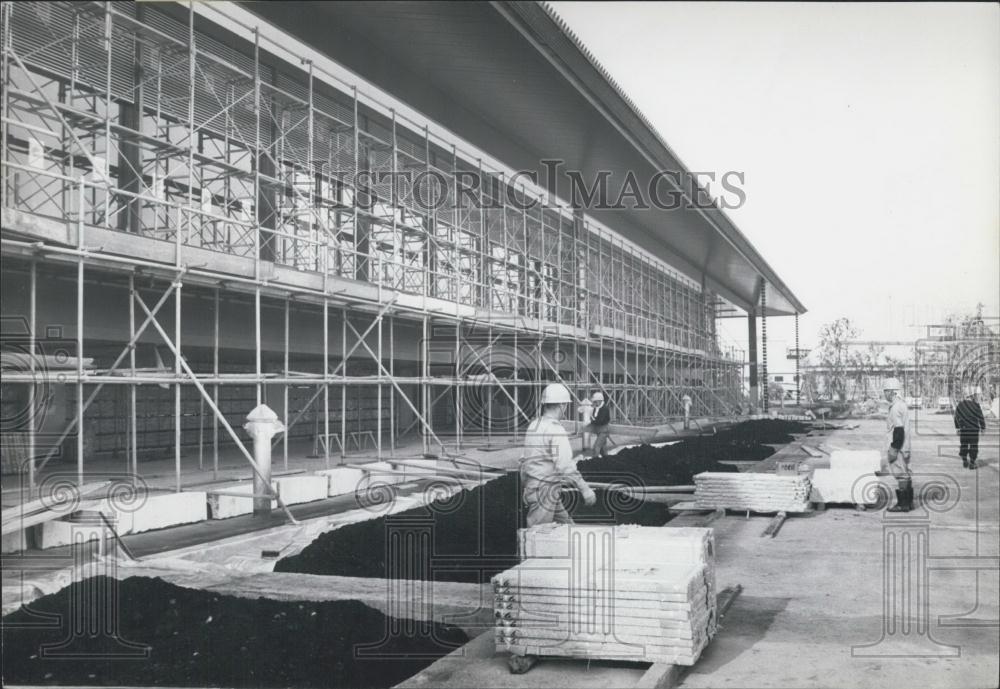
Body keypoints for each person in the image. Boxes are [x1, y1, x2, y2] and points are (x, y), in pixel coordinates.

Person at [520, 383, 596, 526]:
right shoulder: (555, 430)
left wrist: (527, 487)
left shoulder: (534, 426)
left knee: (568, 528)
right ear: (562, 406)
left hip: (541, 489)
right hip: (545, 491)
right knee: (539, 536)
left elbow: (524, 461)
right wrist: (584, 489)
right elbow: (565, 465)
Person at [883, 378, 913, 512]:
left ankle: (902, 504)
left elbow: (898, 430)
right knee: (906, 473)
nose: (885, 395)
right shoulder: (902, 404)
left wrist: (894, 449)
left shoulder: (895, 408)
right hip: (905, 446)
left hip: (899, 447)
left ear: (892, 392)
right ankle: (908, 503)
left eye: (886, 392)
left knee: (901, 475)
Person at [954, 386, 986, 469]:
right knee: (973, 445)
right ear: (972, 396)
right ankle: (972, 462)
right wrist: (983, 427)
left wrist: (957, 428)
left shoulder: (960, 405)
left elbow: (956, 417)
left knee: (964, 444)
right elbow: (980, 417)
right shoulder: (976, 405)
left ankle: (964, 459)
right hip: (974, 429)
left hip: (964, 429)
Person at [588, 391, 612, 458]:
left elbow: (600, 421)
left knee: (596, 447)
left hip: (603, 431)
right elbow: (594, 418)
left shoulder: (604, 409)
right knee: (603, 449)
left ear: (600, 401)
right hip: (599, 430)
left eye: (595, 402)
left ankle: (593, 462)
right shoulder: (596, 408)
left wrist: (593, 421)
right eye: (594, 402)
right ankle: (606, 462)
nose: (594, 403)